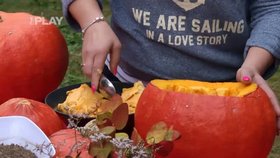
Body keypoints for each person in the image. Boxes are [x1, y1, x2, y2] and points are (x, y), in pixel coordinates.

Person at [62, 0, 280, 131]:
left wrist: (254, 64)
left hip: (226, 105)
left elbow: (272, 6)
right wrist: (92, 22)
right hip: (126, 94)